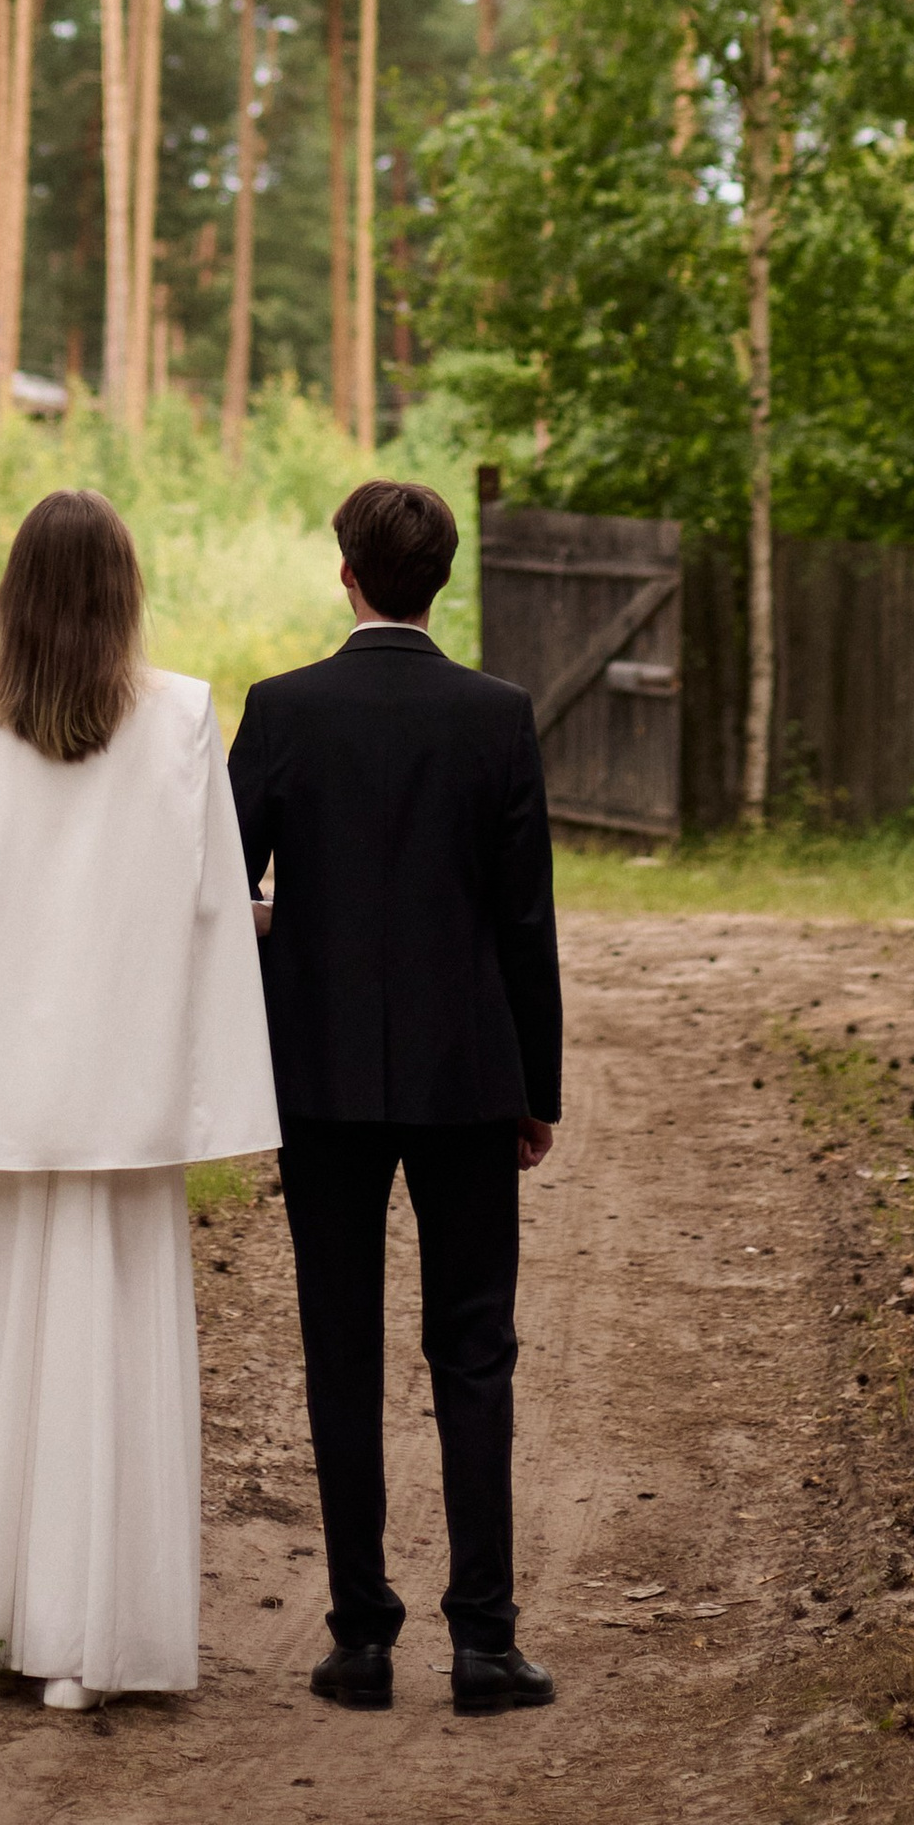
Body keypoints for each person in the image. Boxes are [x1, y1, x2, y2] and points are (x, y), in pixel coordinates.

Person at [0, 488, 278, 1709]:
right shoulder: (185, 717)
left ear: (15, 592)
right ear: (125, 593)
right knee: (102, 1358)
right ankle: (85, 1637)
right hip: (119, 1092)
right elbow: (211, 912)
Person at [228, 476, 562, 1719]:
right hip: (470, 1078)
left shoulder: (282, 711)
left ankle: (361, 1641)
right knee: (473, 1350)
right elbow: (522, 918)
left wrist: (284, 924)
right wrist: (539, 1087)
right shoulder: (497, 717)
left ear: (346, 572)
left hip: (318, 1082)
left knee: (341, 1348)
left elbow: (220, 894)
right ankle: (484, 1643)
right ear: (440, 579)